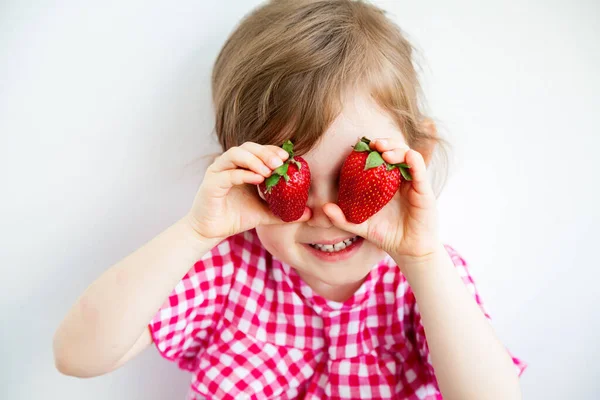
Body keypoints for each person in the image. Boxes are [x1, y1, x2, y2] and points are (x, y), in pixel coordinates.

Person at [53, 1, 526, 398]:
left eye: (350, 178)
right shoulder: (225, 274)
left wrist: (423, 260)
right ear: (244, 174)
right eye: (291, 179)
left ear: (416, 158)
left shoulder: (425, 280)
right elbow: (78, 356)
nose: (327, 214)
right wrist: (195, 233)